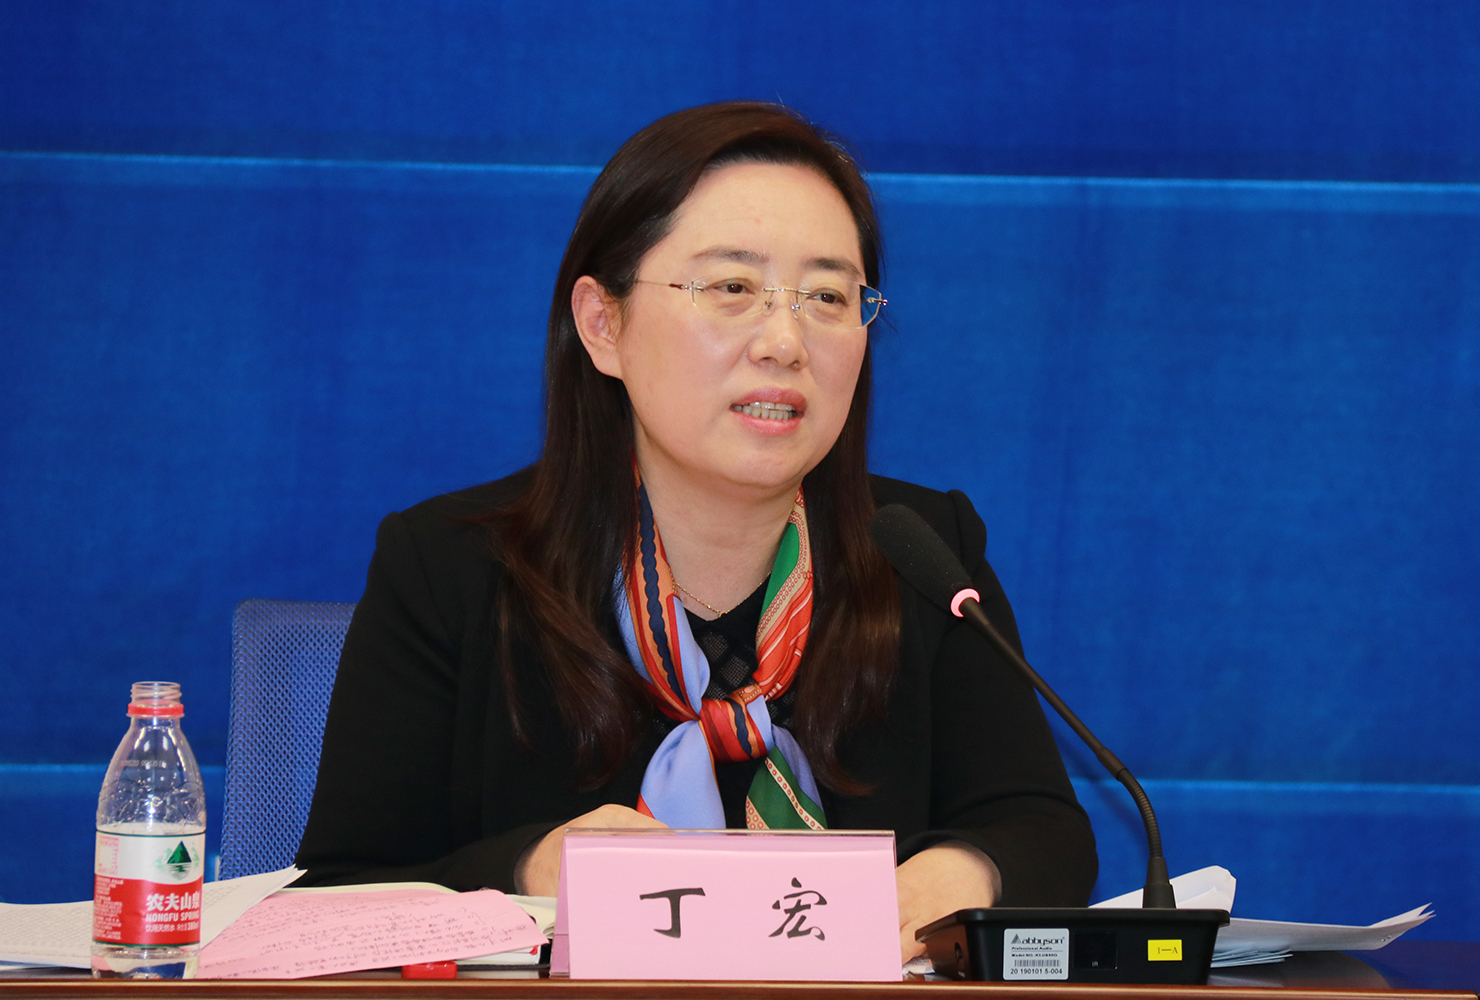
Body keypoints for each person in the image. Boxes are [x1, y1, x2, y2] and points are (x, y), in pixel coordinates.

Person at [294, 102, 1097, 961]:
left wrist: (967, 873)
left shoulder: (923, 553)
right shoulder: (451, 566)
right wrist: (527, 869)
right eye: (732, 289)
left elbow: (1043, 830)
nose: (784, 341)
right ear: (603, 325)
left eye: (828, 297)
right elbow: (339, 895)